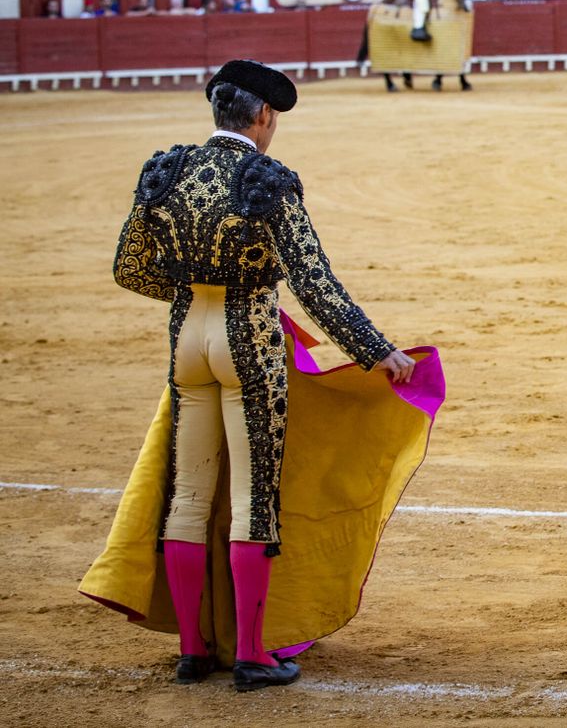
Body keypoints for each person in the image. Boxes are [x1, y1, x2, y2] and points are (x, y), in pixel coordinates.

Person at [91, 61, 418, 692]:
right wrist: (376, 350)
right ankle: (250, 655)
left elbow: (128, 269)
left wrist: (192, 293)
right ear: (263, 117)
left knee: (187, 496)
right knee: (253, 499)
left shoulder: (166, 172)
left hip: (188, 338)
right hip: (249, 341)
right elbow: (313, 283)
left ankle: (192, 650)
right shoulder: (267, 181)